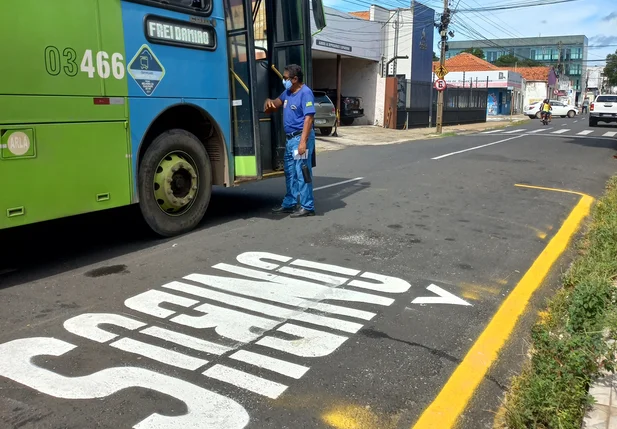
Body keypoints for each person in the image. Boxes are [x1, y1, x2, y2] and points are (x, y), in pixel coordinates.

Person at [264, 64, 316, 218]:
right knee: (290, 172)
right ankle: (290, 203)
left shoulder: (306, 93)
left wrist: (303, 142)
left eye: (286, 78)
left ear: (295, 79)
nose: (284, 80)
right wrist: (269, 102)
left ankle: (308, 206)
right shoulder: (287, 92)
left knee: (302, 172)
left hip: (301, 137)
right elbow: (275, 104)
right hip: (290, 140)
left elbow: (309, 118)